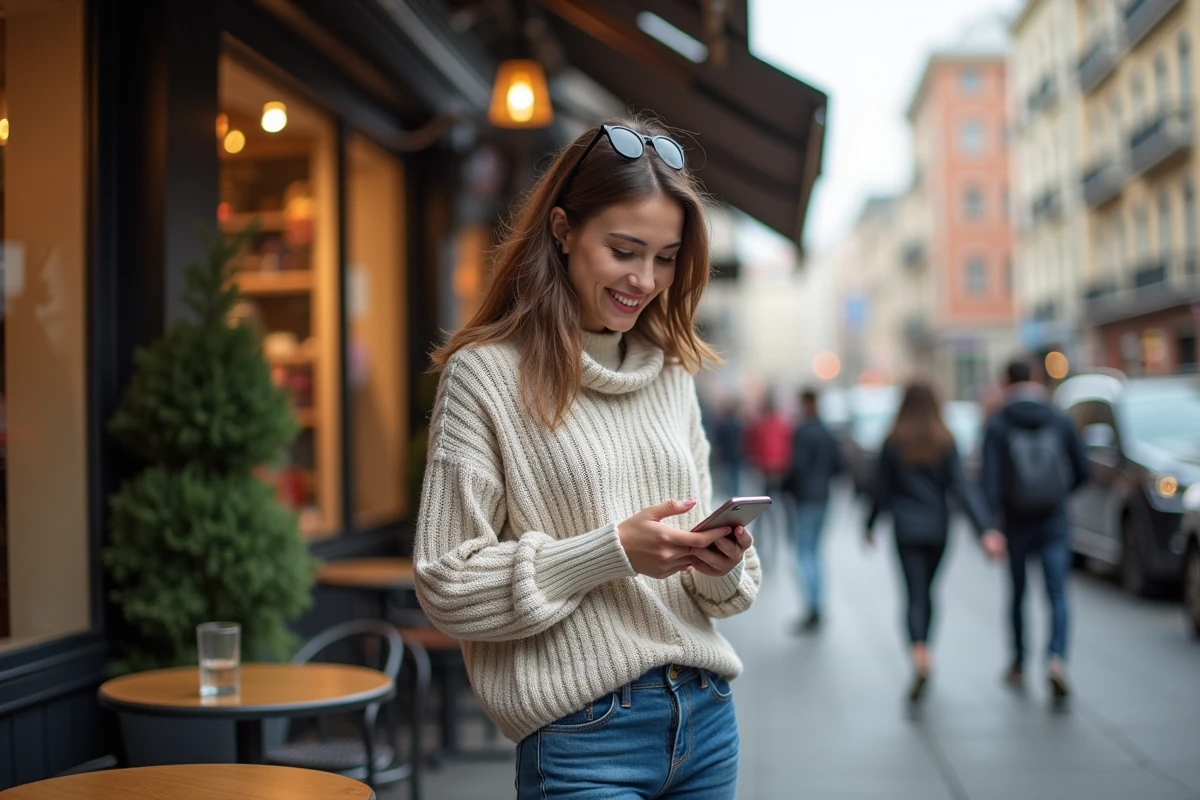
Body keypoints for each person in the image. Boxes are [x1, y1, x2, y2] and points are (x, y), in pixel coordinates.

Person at [413, 118, 761, 799]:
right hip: (583, 736)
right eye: (625, 250)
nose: (645, 279)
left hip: (708, 718)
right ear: (564, 229)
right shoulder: (484, 377)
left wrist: (718, 562)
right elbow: (445, 584)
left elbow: (729, 593)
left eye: (665, 257)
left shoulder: (670, 372)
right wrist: (611, 551)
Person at [865, 382, 1006, 702]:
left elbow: (880, 490)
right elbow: (962, 487)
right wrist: (985, 530)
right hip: (938, 530)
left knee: (913, 593)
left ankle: (919, 652)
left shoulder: (893, 442)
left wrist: (870, 524)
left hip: (906, 529)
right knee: (929, 592)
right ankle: (927, 647)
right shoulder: (945, 440)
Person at [981, 359, 1089, 700]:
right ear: (1036, 379)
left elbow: (989, 481)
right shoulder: (1058, 417)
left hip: (1016, 523)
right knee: (1057, 593)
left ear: (1004, 382)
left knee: (1018, 593)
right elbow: (1083, 469)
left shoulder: (998, 423)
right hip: (1053, 519)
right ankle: (1056, 659)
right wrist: (1058, 494)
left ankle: (1018, 661)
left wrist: (991, 525)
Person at [784, 388, 844, 632]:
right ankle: (817, 604)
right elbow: (840, 466)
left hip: (805, 500)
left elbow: (796, 467)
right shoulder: (828, 432)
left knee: (804, 553)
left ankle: (812, 607)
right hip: (823, 497)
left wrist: (786, 487)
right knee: (815, 553)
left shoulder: (803, 432)